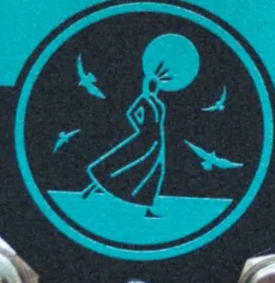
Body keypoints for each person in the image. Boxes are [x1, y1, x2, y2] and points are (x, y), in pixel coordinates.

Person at [80, 33, 199, 214]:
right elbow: (131, 113)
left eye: (155, 86)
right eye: (152, 85)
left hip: (157, 141)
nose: (154, 88)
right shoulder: (144, 100)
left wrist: (151, 131)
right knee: (121, 162)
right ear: (148, 86)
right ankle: (92, 187)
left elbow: (158, 121)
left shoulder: (159, 103)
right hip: (144, 137)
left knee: (154, 170)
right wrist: (141, 128)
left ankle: (148, 207)